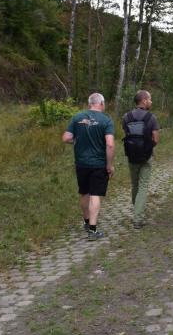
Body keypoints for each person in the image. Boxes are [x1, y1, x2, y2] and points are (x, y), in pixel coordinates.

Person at [62, 93, 115, 240]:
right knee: (95, 195)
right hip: (98, 164)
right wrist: (109, 166)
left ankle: (86, 222)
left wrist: (77, 141)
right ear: (102, 103)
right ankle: (93, 230)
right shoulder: (106, 120)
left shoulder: (77, 117)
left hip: (81, 163)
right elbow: (110, 144)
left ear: (89, 103)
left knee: (84, 193)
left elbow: (66, 137)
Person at [121, 90, 160, 229]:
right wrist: (148, 146)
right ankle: (138, 217)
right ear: (143, 100)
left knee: (135, 185)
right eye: (149, 99)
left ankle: (137, 209)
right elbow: (155, 139)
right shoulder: (151, 117)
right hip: (146, 156)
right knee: (143, 186)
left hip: (131, 156)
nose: (151, 102)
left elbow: (126, 135)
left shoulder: (126, 117)